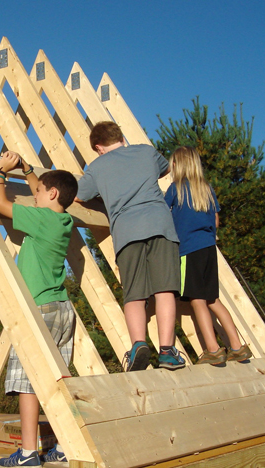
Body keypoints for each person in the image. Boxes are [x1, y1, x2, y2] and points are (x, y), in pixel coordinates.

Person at [0, 151, 78, 468]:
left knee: (27, 381)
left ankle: (28, 454)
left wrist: (1, 172)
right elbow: (42, 191)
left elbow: (0, 203)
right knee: (57, 380)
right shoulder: (63, 219)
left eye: (38, 192)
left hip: (39, 308)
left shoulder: (42, 219)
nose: (33, 195)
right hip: (62, 309)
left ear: (52, 194)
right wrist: (27, 170)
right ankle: (67, 446)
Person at [74, 121, 184, 371]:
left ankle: (138, 345)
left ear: (98, 147)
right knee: (165, 290)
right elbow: (164, 169)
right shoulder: (146, 152)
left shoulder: (98, 166)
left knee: (134, 293)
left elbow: (80, 195)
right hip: (160, 225)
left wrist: (106, 190)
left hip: (127, 231)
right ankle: (167, 352)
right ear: (121, 137)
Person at [164, 146, 252, 364]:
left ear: (177, 165)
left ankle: (213, 349)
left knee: (197, 301)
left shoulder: (176, 189)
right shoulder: (206, 189)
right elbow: (215, 220)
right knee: (213, 299)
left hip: (188, 249)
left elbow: (163, 215)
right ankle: (237, 346)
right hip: (208, 248)